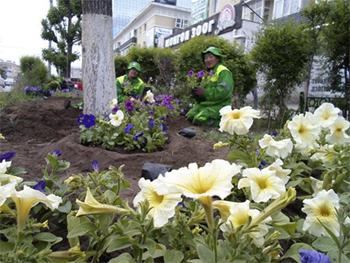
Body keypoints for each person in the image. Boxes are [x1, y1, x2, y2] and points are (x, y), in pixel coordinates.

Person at [186, 46, 234, 126]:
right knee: (190, 116)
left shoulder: (223, 71)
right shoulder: (207, 74)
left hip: (220, 105)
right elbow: (203, 92)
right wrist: (196, 94)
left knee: (200, 119)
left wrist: (205, 93)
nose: (207, 60)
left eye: (211, 57)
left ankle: (223, 123)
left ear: (218, 59)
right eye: (206, 58)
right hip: (207, 104)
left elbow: (223, 91)